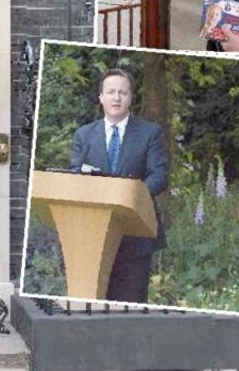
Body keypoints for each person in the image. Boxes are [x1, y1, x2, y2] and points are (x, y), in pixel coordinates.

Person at [69, 68, 169, 303]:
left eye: (122, 92)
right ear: (101, 97)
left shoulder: (150, 133)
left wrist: (131, 197)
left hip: (135, 232)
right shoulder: (84, 136)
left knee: (130, 307)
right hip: (93, 234)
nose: (116, 98)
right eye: (111, 92)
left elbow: (159, 176)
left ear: (130, 98)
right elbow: (74, 175)